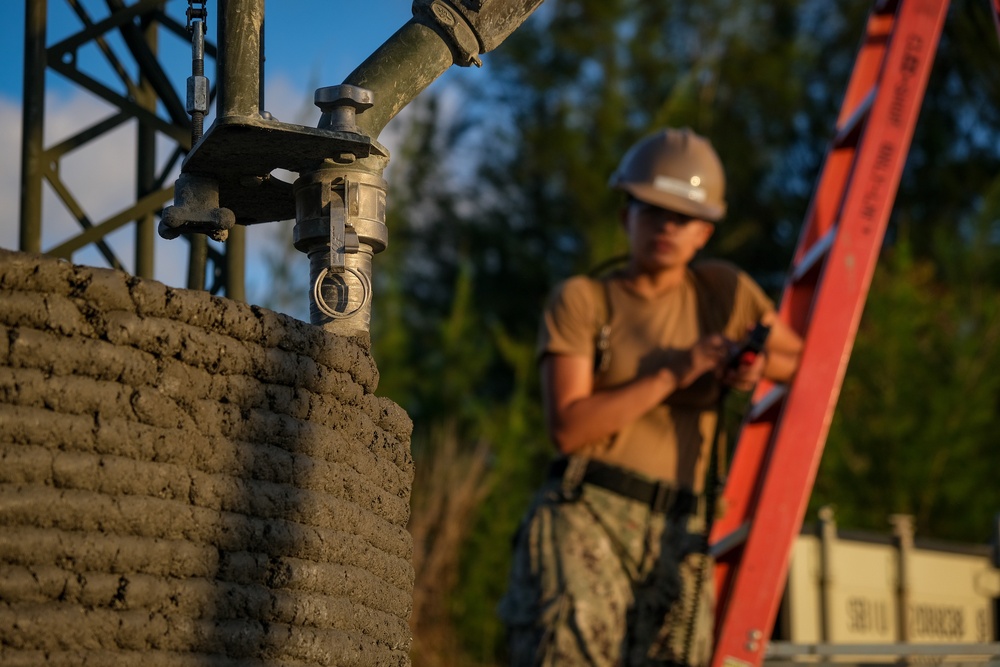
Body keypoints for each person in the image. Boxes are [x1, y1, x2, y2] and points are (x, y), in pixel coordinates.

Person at [497, 128, 802, 666]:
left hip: (681, 532)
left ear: (704, 231)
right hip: (587, 514)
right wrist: (674, 373)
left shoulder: (723, 294)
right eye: (651, 210)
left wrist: (746, 368)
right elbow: (568, 428)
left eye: (682, 217)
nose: (666, 226)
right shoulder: (585, 301)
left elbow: (800, 361)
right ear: (626, 216)